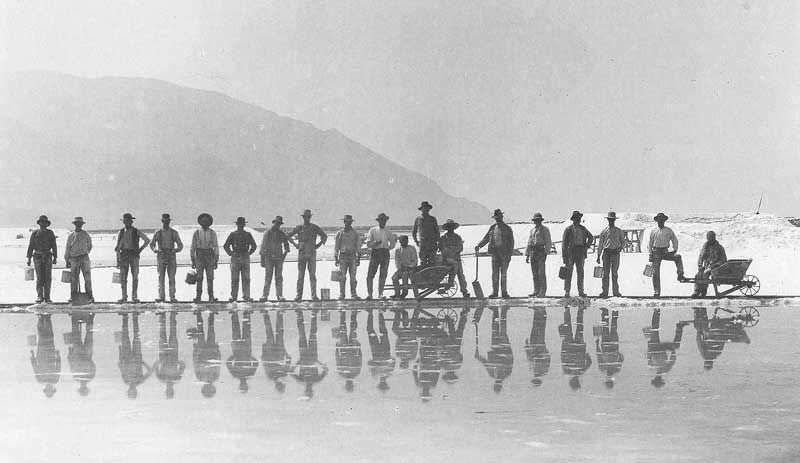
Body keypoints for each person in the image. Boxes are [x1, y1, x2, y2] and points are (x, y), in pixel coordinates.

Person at [287, 209, 327, 301]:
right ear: (303, 218)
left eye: (308, 217)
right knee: (300, 276)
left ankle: (314, 295)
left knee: (312, 276)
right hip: (302, 254)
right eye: (305, 217)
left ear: (310, 217)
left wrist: (319, 244)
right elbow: (288, 236)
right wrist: (295, 244)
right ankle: (298, 295)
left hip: (312, 254)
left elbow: (324, 236)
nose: (307, 219)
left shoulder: (314, 227)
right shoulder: (299, 227)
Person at [475, 209, 515, 298]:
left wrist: (509, 254)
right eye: (496, 217)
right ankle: (495, 292)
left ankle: (504, 292)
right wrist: (479, 246)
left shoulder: (507, 228)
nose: (498, 219)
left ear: (502, 217)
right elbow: (486, 239)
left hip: (505, 255)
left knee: (503, 274)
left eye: (499, 217)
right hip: (495, 254)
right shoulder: (492, 228)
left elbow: (511, 242)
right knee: (495, 274)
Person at [645, 308, 689, 388]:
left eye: (657, 379)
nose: (659, 377)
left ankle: (656, 312)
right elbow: (672, 360)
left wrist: (673, 351)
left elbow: (649, 357)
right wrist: (673, 351)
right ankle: (679, 326)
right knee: (655, 330)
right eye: (659, 379)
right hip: (657, 348)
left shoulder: (655, 368)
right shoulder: (660, 369)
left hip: (655, 348)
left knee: (655, 330)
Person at [114, 213, 151, 303]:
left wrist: (140, 250)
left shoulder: (136, 231)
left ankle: (134, 297)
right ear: (124, 222)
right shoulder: (121, 232)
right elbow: (117, 247)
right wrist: (117, 260)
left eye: (128, 221)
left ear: (131, 221)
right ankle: (124, 297)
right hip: (124, 256)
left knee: (135, 277)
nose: (127, 223)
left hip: (134, 256)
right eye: (125, 221)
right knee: (123, 278)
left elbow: (147, 240)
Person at [475, 307, 514, 393]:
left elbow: (486, 363)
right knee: (501, 329)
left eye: (496, 384)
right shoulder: (506, 373)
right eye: (498, 384)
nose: (497, 381)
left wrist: (479, 357)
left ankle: (496, 311)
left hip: (497, 347)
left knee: (496, 329)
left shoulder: (493, 374)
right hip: (503, 347)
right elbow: (511, 359)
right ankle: (501, 311)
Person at [292, 310, 328, 399]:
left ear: (305, 390)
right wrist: (319, 362)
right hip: (312, 355)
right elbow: (325, 371)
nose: (308, 389)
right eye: (309, 391)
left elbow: (291, 372)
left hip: (304, 355)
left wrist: (298, 363)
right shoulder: (316, 380)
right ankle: (313, 315)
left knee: (302, 333)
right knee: (312, 334)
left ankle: (300, 314)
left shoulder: (301, 380)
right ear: (312, 390)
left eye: (307, 391)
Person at [648, 212, 685, 297]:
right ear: (657, 221)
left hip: (665, 252)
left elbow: (675, 240)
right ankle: (656, 291)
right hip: (656, 252)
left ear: (664, 221)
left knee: (678, 257)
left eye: (662, 220)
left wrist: (674, 250)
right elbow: (650, 244)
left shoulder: (668, 230)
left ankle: (680, 275)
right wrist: (650, 254)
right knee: (655, 272)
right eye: (659, 220)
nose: (661, 221)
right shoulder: (653, 231)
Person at [150, 213, 183, 302]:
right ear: (162, 221)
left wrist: (175, 250)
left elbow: (180, 245)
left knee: (171, 277)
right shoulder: (158, 232)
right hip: (161, 255)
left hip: (171, 256)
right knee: (161, 277)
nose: (166, 222)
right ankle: (161, 297)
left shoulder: (174, 232)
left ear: (169, 221)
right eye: (164, 221)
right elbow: (152, 244)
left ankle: (172, 296)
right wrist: (155, 250)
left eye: (167, 221)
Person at [223, 217, 258, 302]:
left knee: (246, 278)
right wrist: (231, 253)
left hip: (245, 257)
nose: (241, 226)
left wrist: (248, 253)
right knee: (235, 278)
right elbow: (226, 246)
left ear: (244, 225)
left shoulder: (248, 234)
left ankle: (246, 296)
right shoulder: (233, 234)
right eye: (239, 224)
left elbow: (254, 246)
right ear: (237, 225)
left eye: (242, 224)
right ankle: (234, 296)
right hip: (235, 257)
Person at [118, 313, 152, 399]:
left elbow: (121, 366)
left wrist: (120, 353)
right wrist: (142, 362)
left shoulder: (126, 380)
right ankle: (134, 317)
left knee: (125, 335)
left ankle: (125, 317)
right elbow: (149, 371)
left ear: (128, 391)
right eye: (133, 392)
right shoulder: (140, 381)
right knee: (136, 335)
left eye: (130, 392)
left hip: (126, 356)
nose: (131, 390)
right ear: (136, 391)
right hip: (136, 356)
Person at [561, 211, 594, 298]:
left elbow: (591, 237)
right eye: (576, 218)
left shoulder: (583, 229)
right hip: (570, 253)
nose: (578, 220)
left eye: (579, 218)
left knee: (580, 273)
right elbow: (564, 244)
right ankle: (567, 291)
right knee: (568, 273)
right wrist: (564, 256)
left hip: (580, 252)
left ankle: (581, 291)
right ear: (573, 219)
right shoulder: (568, 229)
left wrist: (586, 247)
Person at [596, 211, 628, 298]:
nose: (611, 221)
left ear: (614, 220)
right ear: (608, 220)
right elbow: (600, 245)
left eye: (612, 220)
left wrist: (620, 248)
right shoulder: (604, 232)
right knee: (605, 273)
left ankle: (616, 292)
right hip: (606, 253)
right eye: (610, 220)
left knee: (614, 273)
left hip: (615, 253)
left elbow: (623, 242)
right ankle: (604, 292)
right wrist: (598, 256)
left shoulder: (619, 231)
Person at [259, 216, 292, 302]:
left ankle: (280, 295)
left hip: (278, 259)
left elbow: (286, 245)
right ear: (274, 223)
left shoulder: (281, 233)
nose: (277, 225)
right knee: (268, 277)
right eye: (276, 223)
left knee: (279, 278)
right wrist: (262, 260)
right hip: (269, 258)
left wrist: (283, 256)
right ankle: (265, 295)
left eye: (279, 224)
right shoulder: (268, 233)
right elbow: (263, 247)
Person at [27, 215, 58, 303]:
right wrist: (28, 258)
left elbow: (54, 246)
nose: (43, 224)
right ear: (39, 223)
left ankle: (47, 297)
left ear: (47, 224)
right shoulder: (35, 233)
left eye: (44, 222)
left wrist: (55, 257)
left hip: (48, 257)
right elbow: (31, 246)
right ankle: (40, 296)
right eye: (41, 222)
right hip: (37, 257)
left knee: (48, 278)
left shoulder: (50, 233)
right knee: (39, 277)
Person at [153, 311, 184, 399]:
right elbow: (182, 366)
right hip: (173, 355)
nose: (169, 389)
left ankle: (164, 316)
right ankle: (172, 316)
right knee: (172, 334)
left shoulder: (162, 378)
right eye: (170, 391)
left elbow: (155, 367)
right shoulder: (176, 378)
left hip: (164, 355)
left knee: (163, 334)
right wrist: (177, 362)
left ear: (166, 390)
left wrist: (160, 361)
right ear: (172, 390)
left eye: (168, 391)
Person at [365, 213, 397, 299]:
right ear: (378, 221)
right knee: (370, 274)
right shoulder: (372, 230)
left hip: (385, 253)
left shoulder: (388, 231)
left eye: (384, 220)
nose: (383, 221)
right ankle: (370, 294)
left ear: (386, 221)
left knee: (383, 274)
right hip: (375, 252)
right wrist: (375, 244)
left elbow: (393, 243)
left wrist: (387, 248)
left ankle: (380, 294)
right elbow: (368, 243)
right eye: (381, 220)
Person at [559, 306, 591, 390]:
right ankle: (567, 310)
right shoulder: (566, 371)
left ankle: (580, 310)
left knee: (579, 327)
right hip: (568, 345)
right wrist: (563, 346)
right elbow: (563, 357)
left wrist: (586, 355)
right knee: (568, 327)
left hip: (579, 347)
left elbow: (589, 362)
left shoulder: (581, 371)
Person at [226, 311, 259, 393]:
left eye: (242, 386)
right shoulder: (250, 374)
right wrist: (250, 357)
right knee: (247, 329)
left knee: (235, 329)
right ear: (247, 385)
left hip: (237, 350)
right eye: (244, 386)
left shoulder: (235, 375)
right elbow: (256, 363)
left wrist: (233, 357)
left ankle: (235, 314)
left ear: (239, 385)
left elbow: (228, 363)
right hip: (246, 349)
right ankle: (246, 313)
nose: (243, 384)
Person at [190, 213, 219, 302]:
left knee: (210, 277)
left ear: (209, 222)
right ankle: (198, 297)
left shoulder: (212, 232)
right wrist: (193, 260)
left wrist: (216, 260)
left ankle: (211, 297)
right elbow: (193, 247)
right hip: (199, 256)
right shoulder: (197, 232)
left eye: (207, 221)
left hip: (210, 256)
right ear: (200, 222)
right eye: (203, 221)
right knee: (199, 277)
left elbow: (216, 246)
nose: (205, 222)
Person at [438, 219, 471, 298]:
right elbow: (442, 248)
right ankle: (447, 285)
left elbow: (460, 247)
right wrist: (451, 251)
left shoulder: (457, 237)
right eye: (449, 227)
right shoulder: (443, 238)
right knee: (444, 274)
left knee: (461, 275)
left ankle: (464, 291)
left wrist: (451, 250)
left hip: (457, 259)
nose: (451, 229)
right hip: (446, 260)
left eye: (452, 227)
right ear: (447, 228)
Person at [64, 216, 94, 303]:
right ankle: (73, 296)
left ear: (82, 225)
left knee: (87, 278)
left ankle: (89, 296)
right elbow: (67, 248)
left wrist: (84, 253)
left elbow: (90, 246)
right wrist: (67, 260)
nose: (78, 225)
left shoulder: (86, 234)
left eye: (80, 224)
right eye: (77, 224)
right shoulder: (71, 235)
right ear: (75, 225)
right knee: (74, 279)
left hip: (84, 258)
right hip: (73, 259)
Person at [192, 311, 220, 398]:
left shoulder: (200, 378)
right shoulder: (214, 377)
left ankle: (199, 314)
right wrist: (217, 350)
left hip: (202, 351)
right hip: (210, 351)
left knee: (202, 330)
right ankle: (208, 315)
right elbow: (218, 363)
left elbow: (195, 363)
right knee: (210, 329)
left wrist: (195, 350)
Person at [262, 310, 292, 393]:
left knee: (271, 333)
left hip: (272, 352)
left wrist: (263, 351)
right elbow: (288, 362)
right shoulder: (282, 374)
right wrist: (286, 355)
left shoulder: (271, 376)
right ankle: (276, 314)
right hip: (278, 352)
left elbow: (265, 362)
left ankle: (268, 315)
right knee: (276, 332)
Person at [66, 313, 95, 396]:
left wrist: (70, 354)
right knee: (88, 334)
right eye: (84, 388)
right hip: (86, 355)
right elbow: (93, 366)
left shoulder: (77, 377)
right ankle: (89, 318)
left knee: (77, 335)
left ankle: (76, 318)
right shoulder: (89, 377)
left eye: (82, 388)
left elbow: (72, 364)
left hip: (80, 354)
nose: (83, 386)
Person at [31, 314, 60, 398]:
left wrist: (33, 357)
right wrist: (58, 357)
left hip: (41, 355)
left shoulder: (40, 380)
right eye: (50, 390)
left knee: (42, 337)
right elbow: (58, 367)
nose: (49, 388)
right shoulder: (55, 380)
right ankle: (47, 318)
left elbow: (35, 368)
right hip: (50, 354)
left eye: (48, 390)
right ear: (53, 389)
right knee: (49, 336)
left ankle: (41, 318)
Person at [691, 231, 727, 297]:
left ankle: (703, 292)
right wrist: (700, 265)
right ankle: (697, 291)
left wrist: (714, 265)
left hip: (717, 267)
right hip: (706, 266)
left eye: (711, 237)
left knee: (705, 275)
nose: (710, 239)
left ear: (714, 237)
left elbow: (723, 260)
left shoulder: (720, 248)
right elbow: (701, 257)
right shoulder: (705, 247)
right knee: (698, 275)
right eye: (708, 237)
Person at [367, 309, 396, 392]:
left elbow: (393, 360)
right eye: (384, 384)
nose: (382, 382)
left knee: (375, 331)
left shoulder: (384, 373)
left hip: (378, 351)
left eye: (382, 384)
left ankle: (373, 314)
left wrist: (380, 360)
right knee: (380, 331)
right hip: (381, 351)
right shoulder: (386, 373)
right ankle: (375, 314)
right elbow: (393, 360)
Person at [334, 215, 361, 300]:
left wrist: (358, 258)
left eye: (349, 222)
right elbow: (336, 246)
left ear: (351, 222)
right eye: (346, 222)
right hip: (343, 256)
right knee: (342, 277)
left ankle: (354, 294)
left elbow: (358, 246)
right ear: (344, 222)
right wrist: (336, 258)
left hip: (352, 256)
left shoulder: (355, 233)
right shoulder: (340, 233)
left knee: (353, 277)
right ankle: (342, 294)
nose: (348, 223)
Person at [334, 309, 362, 392]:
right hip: (351, 349)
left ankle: (343, 314)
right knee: (352, 330)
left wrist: (337, 349)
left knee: (344, 330)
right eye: (350, 385)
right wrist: (359, 348)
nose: (349, 383)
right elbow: (359, 359)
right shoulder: (356, 372)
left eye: (348, 385)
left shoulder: (342, 373)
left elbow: (338, 360)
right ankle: (353, 314)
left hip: (344, 349)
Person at [525, 213, 552, 297]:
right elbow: (529, 242)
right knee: (535, 273)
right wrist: (527, 254)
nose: (537, 222)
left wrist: (546, 252)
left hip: (541, 252)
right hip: (533, 252)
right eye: (535, 220)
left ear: (541, 221)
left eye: (538, 220)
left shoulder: (545, 229)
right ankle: (536, 290)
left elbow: (548, 241)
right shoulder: (532, 230)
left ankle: (542, 291)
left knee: (541, 273)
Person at [595, 308, 623, 389]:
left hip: (610, 345)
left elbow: (621, 358)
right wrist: (597, 345)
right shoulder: (604, 368)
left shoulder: (616, 369)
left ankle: (613, 312)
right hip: (607, 345)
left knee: (611, 327)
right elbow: (599, 355)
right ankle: (607, 312)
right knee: (607, 328)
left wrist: (617, 352)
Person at [525, 307, 550, 386]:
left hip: (538, 346)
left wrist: (527, 347)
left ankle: (539, 312)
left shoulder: (541, 370)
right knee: (539, 328)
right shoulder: (541, 370)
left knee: (537, 327)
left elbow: (530, 357)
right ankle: (540, 312)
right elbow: (547, 357)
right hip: (539, 345)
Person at [412, 201, 439, 266]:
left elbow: (437, 231)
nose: (425, 209)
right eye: (424, 208)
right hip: (423, 243)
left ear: (429, 209)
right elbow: (414, 232)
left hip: (432, 243)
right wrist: (416, 242)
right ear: (421, 209)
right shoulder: (418, 219)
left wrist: (437, 242)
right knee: (423, 262)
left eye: (427, 208)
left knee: (432, 262)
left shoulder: (433, 219)